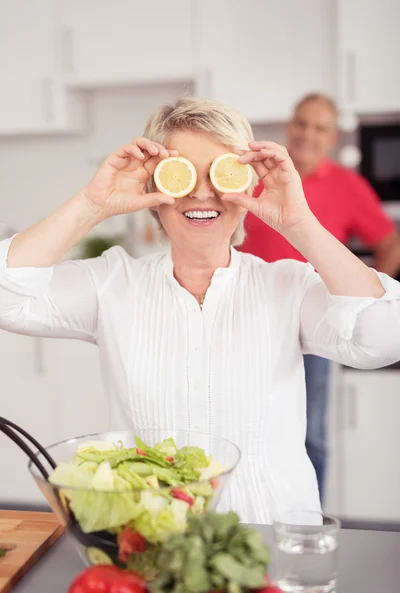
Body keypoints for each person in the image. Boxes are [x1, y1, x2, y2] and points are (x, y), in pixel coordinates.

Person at [0, 97, 400, 525]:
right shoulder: (112, 283)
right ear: (156, 192)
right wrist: (92, 205)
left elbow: (385, 336)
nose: (203, 191)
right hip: (154, 548)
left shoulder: (288, 286)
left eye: (221, 173)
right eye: (183, 173)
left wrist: (299, 224)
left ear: (246, 187)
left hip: (272, 546)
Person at [240, 93, 400, 501]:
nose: (308, 134)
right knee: (243, 427)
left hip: (314, 324)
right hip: (248, 319)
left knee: (310, 434)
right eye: (302, 124)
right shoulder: (255, 174)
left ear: (331, 137)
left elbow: (390, 243)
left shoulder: (349, 186)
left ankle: (309, 525)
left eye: (319, 127)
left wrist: (360, 298)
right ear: (290, 126)